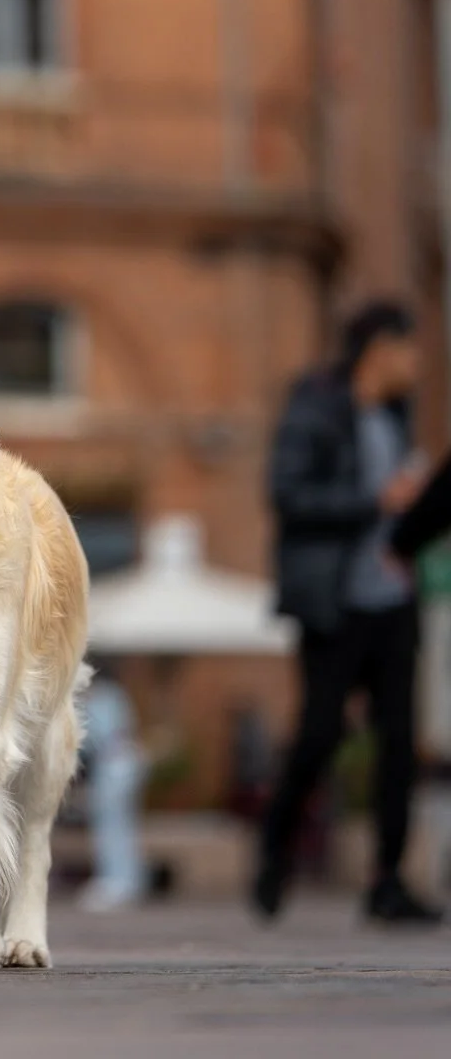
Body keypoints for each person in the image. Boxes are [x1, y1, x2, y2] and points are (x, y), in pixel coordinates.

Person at [253, 299, 443, 924]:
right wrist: (376, 499)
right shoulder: (315, 406)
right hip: (334, 603)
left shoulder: (395, 416)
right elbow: (288, 494)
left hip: (392, 603)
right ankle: (276, 844)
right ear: (380, 350)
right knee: (321, 732)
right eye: (409, 349)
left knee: (396, 743)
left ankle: (387, 879)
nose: (417, 362)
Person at [78, 664, 147, 912]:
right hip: (123, 763)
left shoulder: (101, 698)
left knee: (111, 826)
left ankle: (118, 882)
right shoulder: (114, 695)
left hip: (115, 765)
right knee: (121, 826)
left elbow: (92, 737)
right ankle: (129, 880)